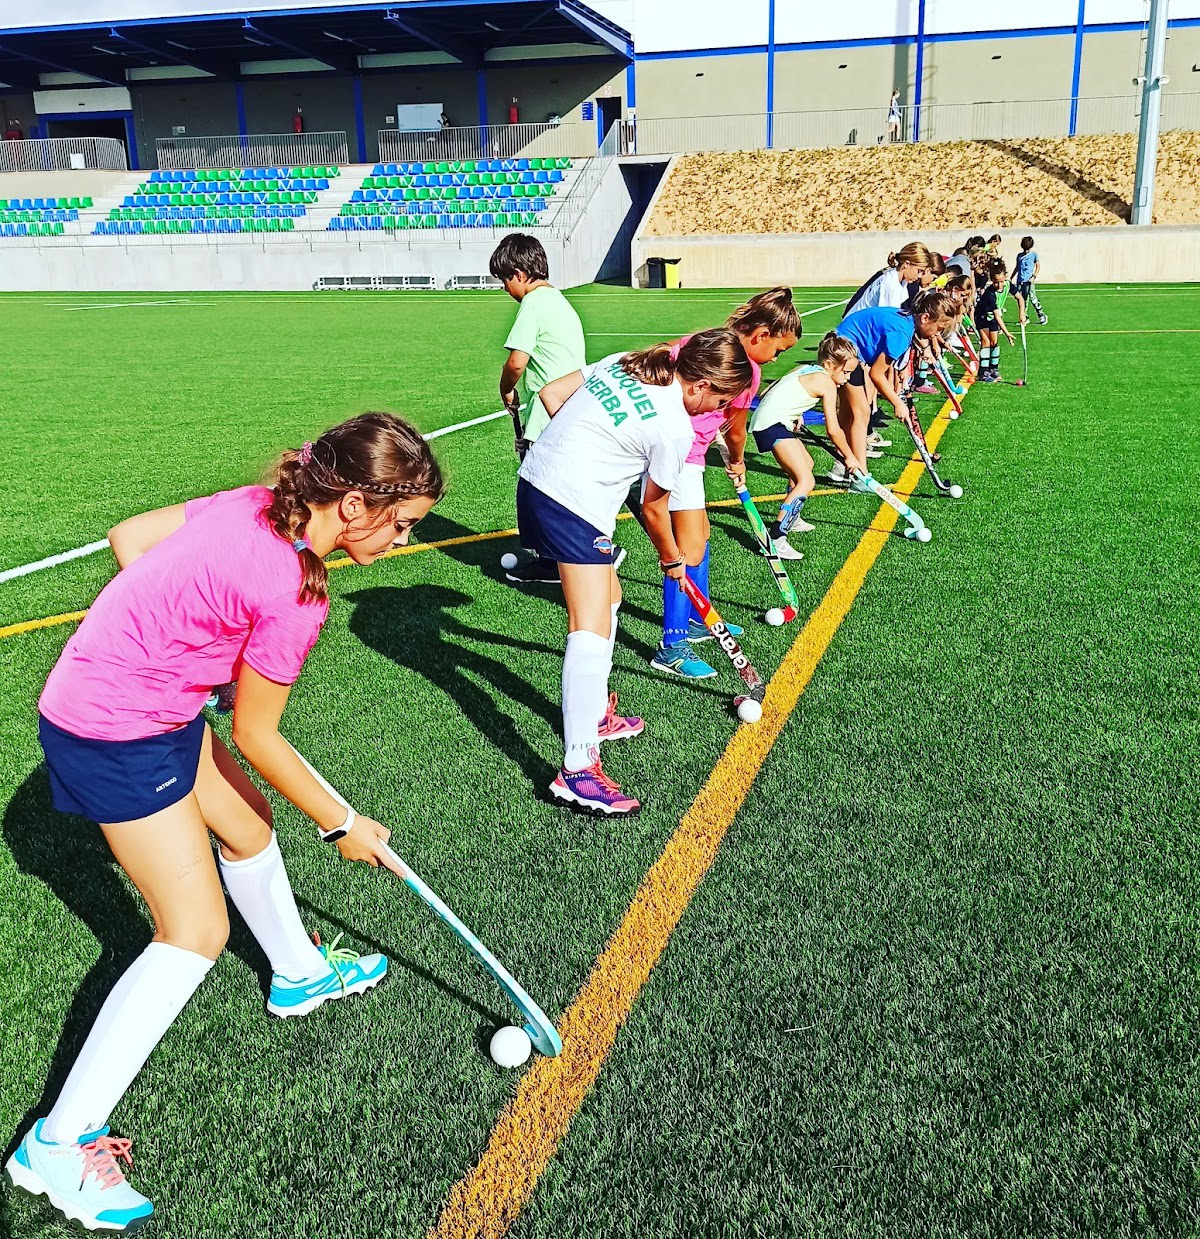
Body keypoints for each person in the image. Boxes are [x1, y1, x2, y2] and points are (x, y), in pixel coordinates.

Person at [5, 414, 444, 1234]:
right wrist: (343, 822)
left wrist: (178, 638)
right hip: (113, 727)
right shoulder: (295, 591)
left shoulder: (258, 504)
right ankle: (56, 1145)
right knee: (193, 930)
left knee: (245, 825)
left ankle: (297, 972)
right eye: (403, 524)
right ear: (353, 504)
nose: (402, 541)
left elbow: (130, 537)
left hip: (148, 705)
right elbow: (258, 732)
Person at [516, 331, 753, 816]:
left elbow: (553, 394)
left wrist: (594, 450)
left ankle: (595, 712)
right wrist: (672, 561)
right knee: (589, 626)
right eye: (721, 400)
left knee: (611, 597)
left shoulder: (630, 362)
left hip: (538, 480)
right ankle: (577, 770)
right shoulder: (674, 428)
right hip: (569, 503)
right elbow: (653, 509)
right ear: (701, 384)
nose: (719, 410)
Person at [651, 288, 800, 681]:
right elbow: (735, 429)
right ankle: (672, 644)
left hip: (691, 452)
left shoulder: (711, 341)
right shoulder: (745, 370)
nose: (774, 359)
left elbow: (663, 352)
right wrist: (736, 461)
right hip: (679, 453)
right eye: (778, 351)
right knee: (689, 548)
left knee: (700, 534)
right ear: (761, 335)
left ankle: (699, 620)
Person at [489, 232, 587, 586]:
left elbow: (517, 361)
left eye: (504, 280)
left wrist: (506, 390)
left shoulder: (533, 303)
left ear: (518, 273)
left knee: (537, 489)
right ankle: (556, 556)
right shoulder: (559, 300)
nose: (505, 289)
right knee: (551, 487)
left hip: (549, 413)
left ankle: (559, 559)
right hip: (568, 406)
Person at [747, 333, 860, 559]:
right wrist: (849, 456)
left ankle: (793, 518)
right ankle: (776, 538)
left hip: (770, 420)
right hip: (772, 424)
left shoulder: (805, 369)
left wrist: (795, 413)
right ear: (829, 365)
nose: (848, 378)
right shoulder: (827, 384)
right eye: (845, 372)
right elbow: (833, 430)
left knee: (807, 464)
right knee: (806, 480)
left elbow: (770, 391)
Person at [833, 289, 957, 483]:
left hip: (839, 345)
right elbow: (876, 373)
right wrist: (897, 403)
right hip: (844, 352)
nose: (938, 334)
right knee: (862, 413)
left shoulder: (906, 319)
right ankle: (861, 477)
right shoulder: (902, 332)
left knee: (850, 414)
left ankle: (842, 466)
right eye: (939, 328)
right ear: (925, 318)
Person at [976, 259, 1016, 381]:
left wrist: (1022, 314)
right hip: (982, 317)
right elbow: (998, 316)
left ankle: (993, 369)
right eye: (995, 282)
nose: (999, 285)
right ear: (991, 281)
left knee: (994, 343)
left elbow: (1019, 298)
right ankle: (983, 372)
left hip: (992, 318)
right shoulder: (989, 294)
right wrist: (1007, 333)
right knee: (986, 343)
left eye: (1001, 281)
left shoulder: (1008, 285)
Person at [1012, 235, 1047, 325]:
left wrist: (1034, 276)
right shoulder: (1019, 256)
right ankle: (1025, 317)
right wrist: (1011, 277)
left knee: (1033, 298)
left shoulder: (1034, 254)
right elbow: (1017, 267)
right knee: (1021, 299)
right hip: (1020, 280)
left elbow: (1038, 266)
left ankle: (1041, 315)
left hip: (1029, 281)